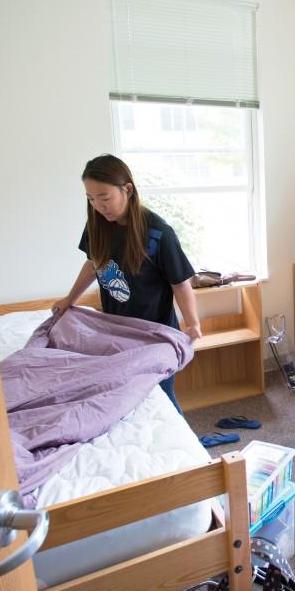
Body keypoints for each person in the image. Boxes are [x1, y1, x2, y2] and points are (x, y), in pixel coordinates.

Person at [52, 154, 201, 413]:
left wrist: (193, 323)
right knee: (125, 398)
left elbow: (180, 283)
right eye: (91, 198)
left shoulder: (158, 234)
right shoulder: (97, 226)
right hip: (117, 330)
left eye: (104, 197)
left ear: (127, 189)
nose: (98, 205)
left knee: (161, 400)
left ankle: (188, 452)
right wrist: (70, 300)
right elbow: (93, 264)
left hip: (154, 334)